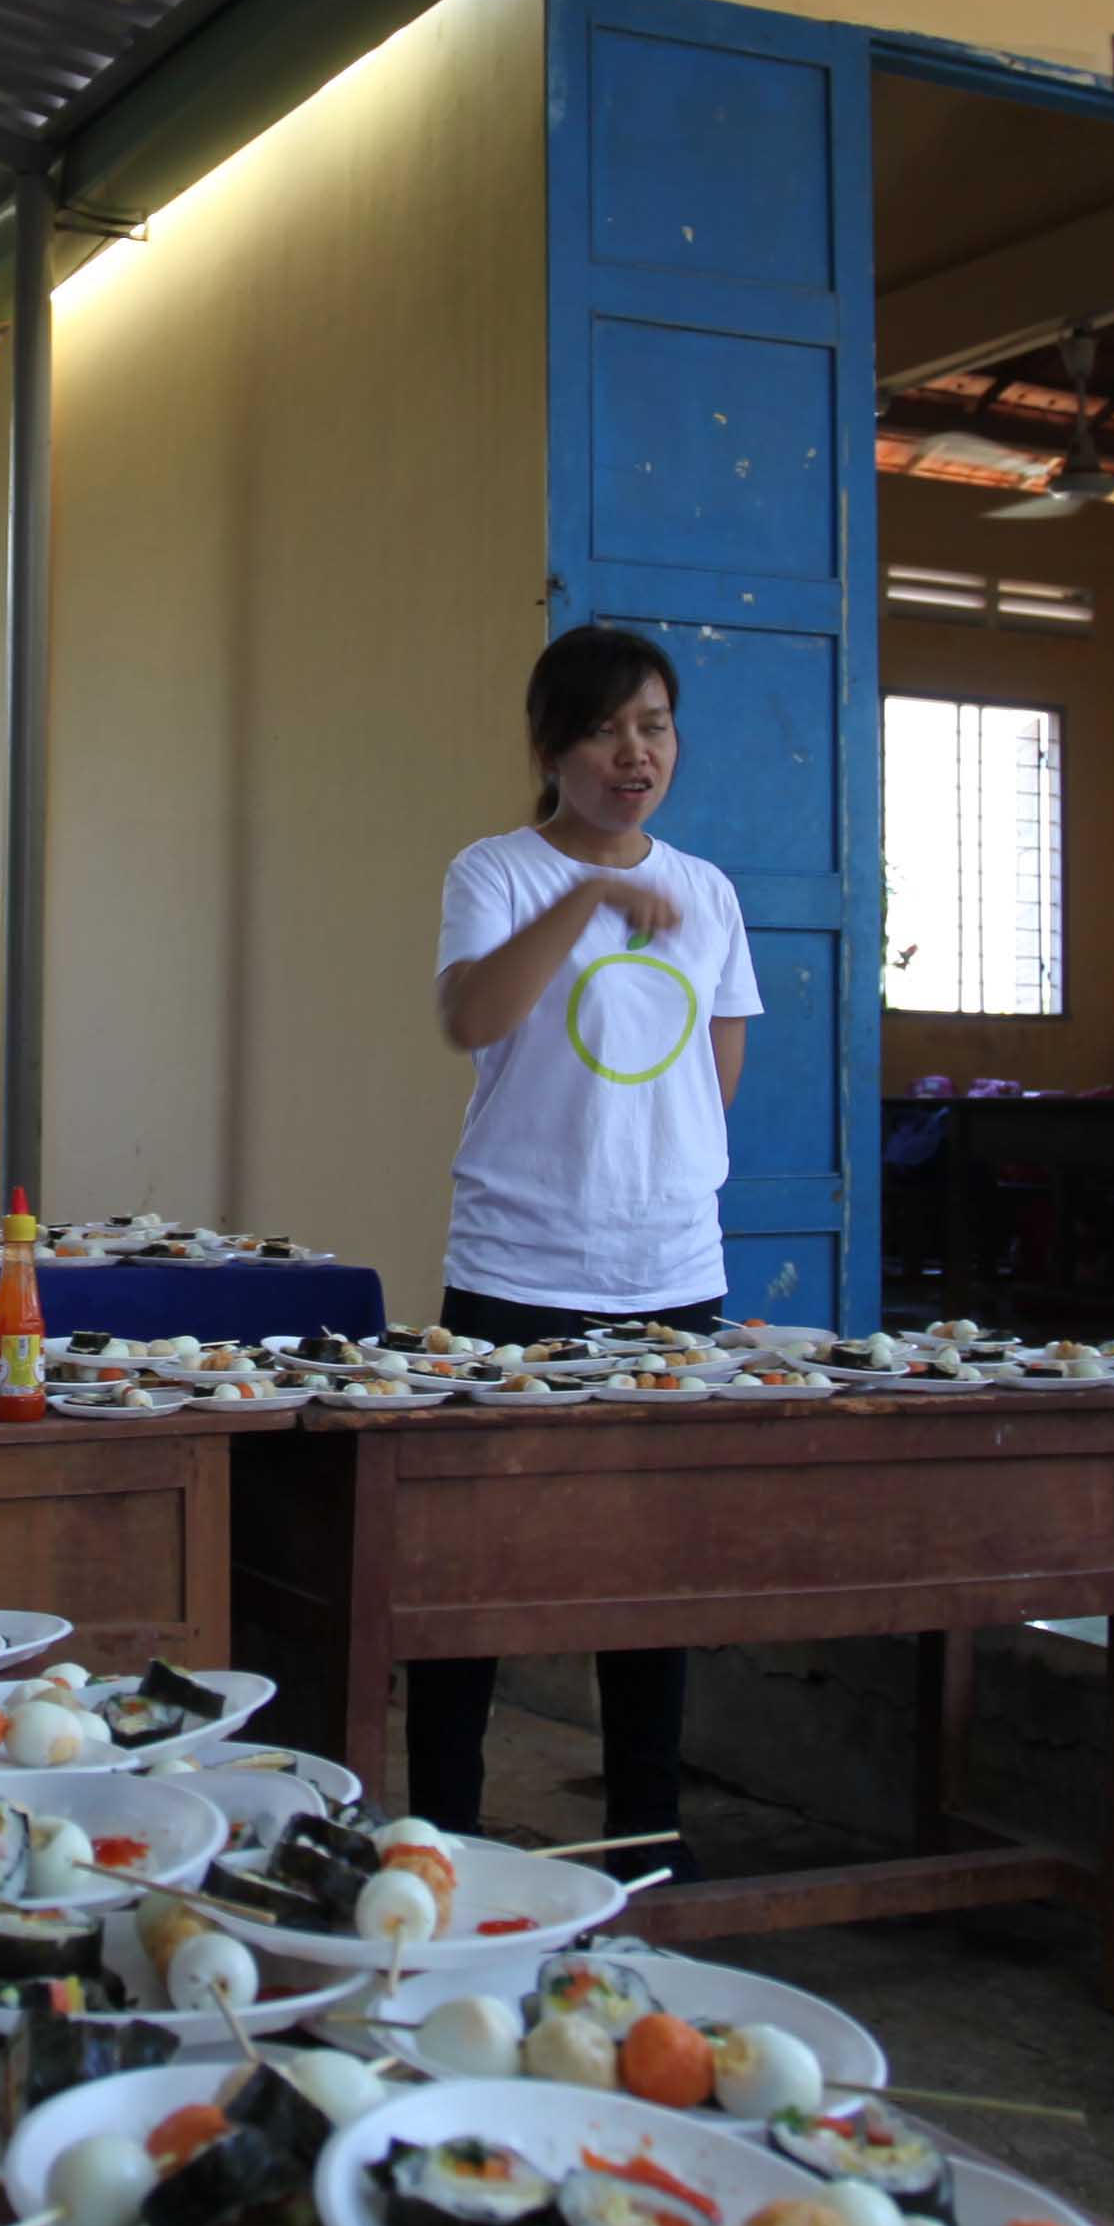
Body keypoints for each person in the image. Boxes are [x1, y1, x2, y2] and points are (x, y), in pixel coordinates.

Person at [417, 623, 762, 1858]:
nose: (634, 754)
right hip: (517, 1268)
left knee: (647, 1565)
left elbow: (715, 1068)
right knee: (471, 1566)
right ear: (550, 747)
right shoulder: (497, 872)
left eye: (653, 727)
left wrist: (658, 1179)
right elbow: (472, 1017)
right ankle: (444, 1833)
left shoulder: (708, 892)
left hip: (670, 1274)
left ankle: (643, 1836)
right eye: (606, 730)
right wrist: (590, 898)